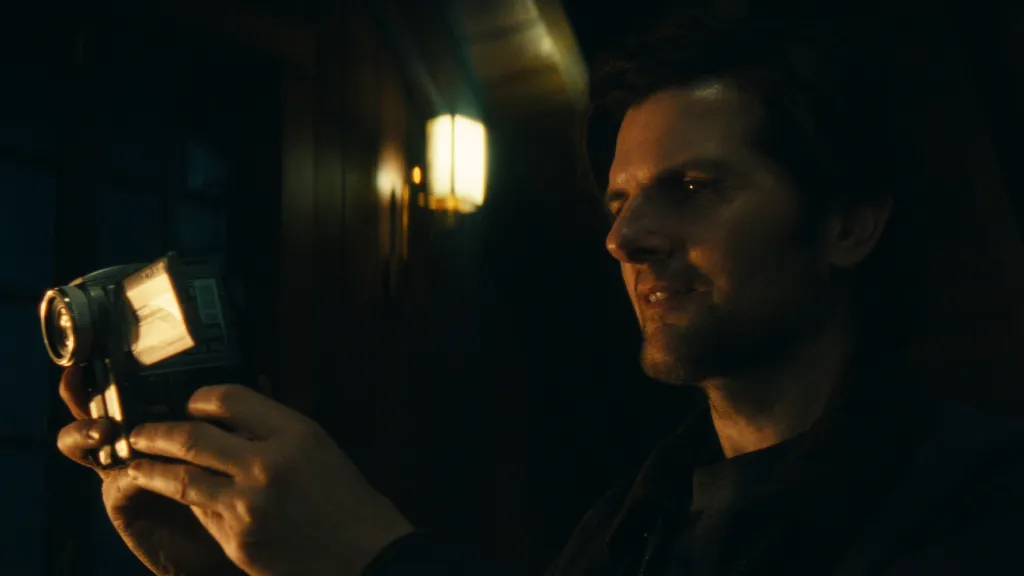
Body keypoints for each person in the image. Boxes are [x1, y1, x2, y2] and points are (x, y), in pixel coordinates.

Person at [56, 7, 1024, 576]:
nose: (624, 238)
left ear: (848, 225)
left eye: (692, 189)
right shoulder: (633, 523)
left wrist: (377, 561)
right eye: (619, 200)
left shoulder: (972, 504)